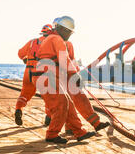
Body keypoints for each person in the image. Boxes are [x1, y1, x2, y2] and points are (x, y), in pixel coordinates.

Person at [31, 16, 95, 144]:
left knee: (68, 104)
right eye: (68, 32)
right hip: (46, 76)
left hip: (47, 76)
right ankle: (52, 134)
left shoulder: (52, 38)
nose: (69, 35)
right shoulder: (56, 39)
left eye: (71, 33)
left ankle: (79, 132)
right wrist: (74, 75)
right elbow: (64, 60)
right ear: (60, 29)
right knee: (62, 104)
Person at [15, 24, 53, 126]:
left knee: (24, 94)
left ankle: (18, 109)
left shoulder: (32, 42)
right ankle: (48, 118)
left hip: (28, 72)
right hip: (42, 73)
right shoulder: (51, 43)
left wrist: (26, 58)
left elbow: (20, 54)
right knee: (48, 96)